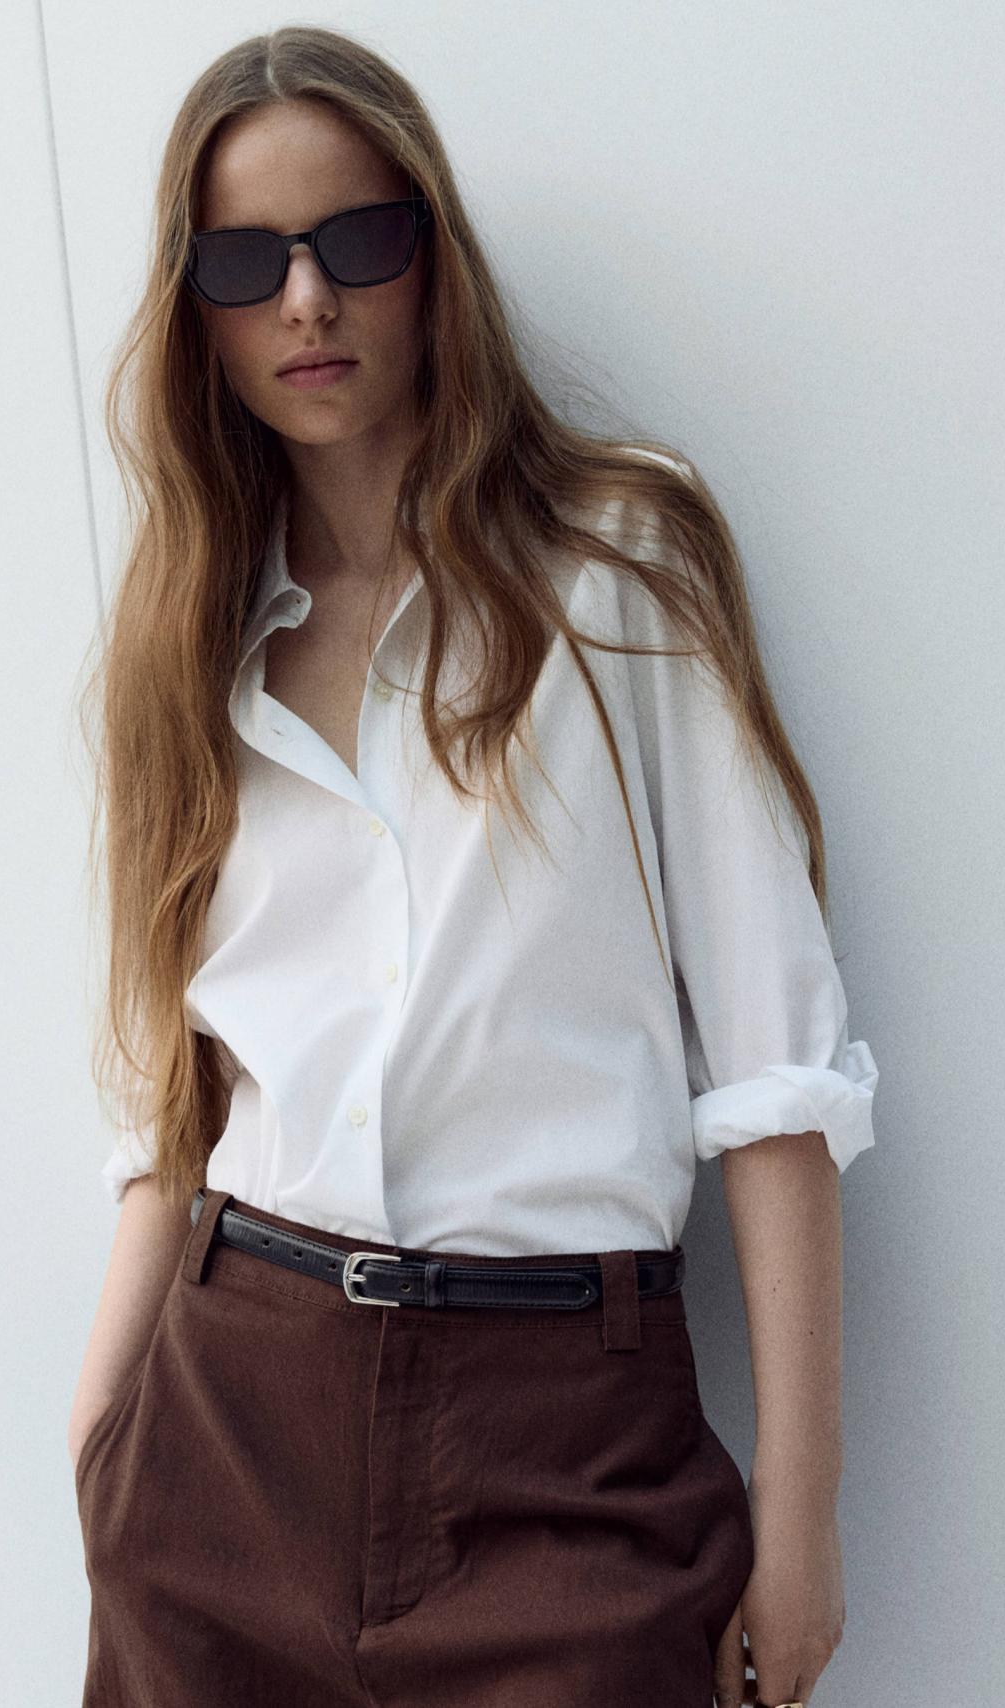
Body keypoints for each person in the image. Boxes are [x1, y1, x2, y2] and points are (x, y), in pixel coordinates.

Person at [68, 26, 877, 1708]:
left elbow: (776, 1079)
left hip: (568, 1440)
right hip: (228, 1426)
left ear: (434, 256)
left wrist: (799, 1526)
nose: (306, 302)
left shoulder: (620, 570)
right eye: (245, 263)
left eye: (356, 242)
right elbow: (176, 1092)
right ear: (197, 307)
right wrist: (102, 1443)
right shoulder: (188, 635)